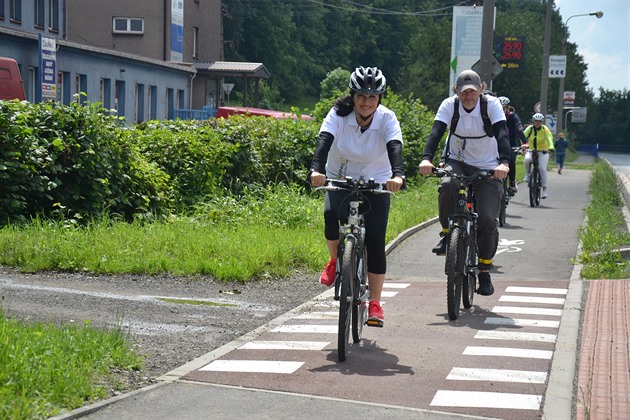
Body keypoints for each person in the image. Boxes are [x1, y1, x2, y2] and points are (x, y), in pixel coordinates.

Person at [308, 66, 405, 327]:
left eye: (372, 97)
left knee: (374, 239)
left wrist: (398, 176)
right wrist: (316, 169)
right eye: (361, 96)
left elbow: (395, 146)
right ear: (352, 96)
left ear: (380, 99)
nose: (366, 102)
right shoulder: (338, 115)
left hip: (377, 178)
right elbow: (324, 141)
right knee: (331, 215)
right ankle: (333, 260)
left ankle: (374, 302)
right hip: (341, 174)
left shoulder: (387, 118)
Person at [418, 69, 510, 296]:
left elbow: (502, 135)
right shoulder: (450, 105)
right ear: (456, 91)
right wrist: (426, 159)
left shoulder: (491, 106)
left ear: (481, 89)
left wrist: (504, 163)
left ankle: (485, 272)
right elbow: (436, 133)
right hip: (457, 160)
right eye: (463, 92)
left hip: (488, 165)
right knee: (448, 184)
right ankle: (448, 233)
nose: (468, 96)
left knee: (488, 219)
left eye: (472, 92)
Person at [498, 96, 527, 195]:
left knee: (511, 161)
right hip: (497, 143)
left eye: (504, 108)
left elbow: (519, 129)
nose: (502, 110)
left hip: (511, 144)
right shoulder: (493, 116)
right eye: (500, 108)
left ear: (507, 108)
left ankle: (512, 182)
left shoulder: (513, 117)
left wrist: (525, 143)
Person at [523, 113, 554, 198]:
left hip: (543, 151)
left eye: (539, 121)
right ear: (533, 121)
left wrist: (550, 147)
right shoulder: (530, 129)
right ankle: (528, 173)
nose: (538, 123)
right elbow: (523, 137)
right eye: (536, 121)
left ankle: (544, 190)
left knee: (542, 168)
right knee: (527, 160)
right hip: (531, 149)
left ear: (542, 122)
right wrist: (523, 145)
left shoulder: (545, 129)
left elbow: (549, 139)